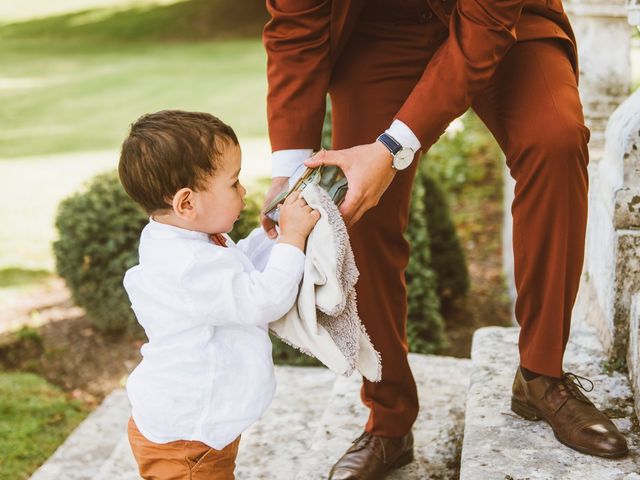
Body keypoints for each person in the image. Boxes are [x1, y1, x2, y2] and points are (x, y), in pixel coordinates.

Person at [261, 0, 629, 478]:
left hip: (502, 20)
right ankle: (388, 417)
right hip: (379, 29)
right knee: (355, 210)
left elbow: (486, 24)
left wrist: (391, 147)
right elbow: (296, 26)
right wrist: (290, 172)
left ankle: (542, 376)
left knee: (555, 141)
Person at [118, 110, 320, 479]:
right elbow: (262, 299)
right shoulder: (188, 264)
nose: (243, 191)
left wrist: (269, 236)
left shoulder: (180, 236)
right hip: (188, 441)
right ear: (187, 203)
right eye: (234, 183)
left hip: (195, 428)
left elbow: (236, 272)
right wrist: (292, 238)